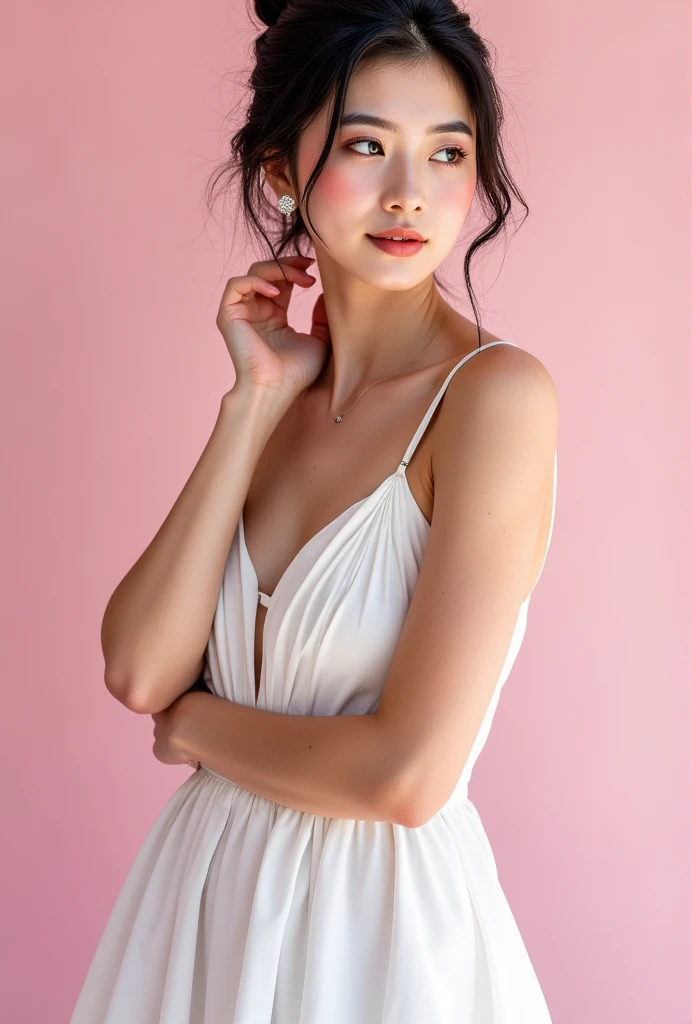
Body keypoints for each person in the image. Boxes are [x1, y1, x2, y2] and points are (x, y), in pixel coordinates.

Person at [70, 0, 558, 1020]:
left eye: (446, 153)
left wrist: (199, 725)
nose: (406, 195)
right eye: (365, 145)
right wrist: (251, 401)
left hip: (374, 935)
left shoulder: (493, 399)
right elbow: (137, 667)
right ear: (282, 171)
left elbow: (408, 774)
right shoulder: (284, 396)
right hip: (203, 908)